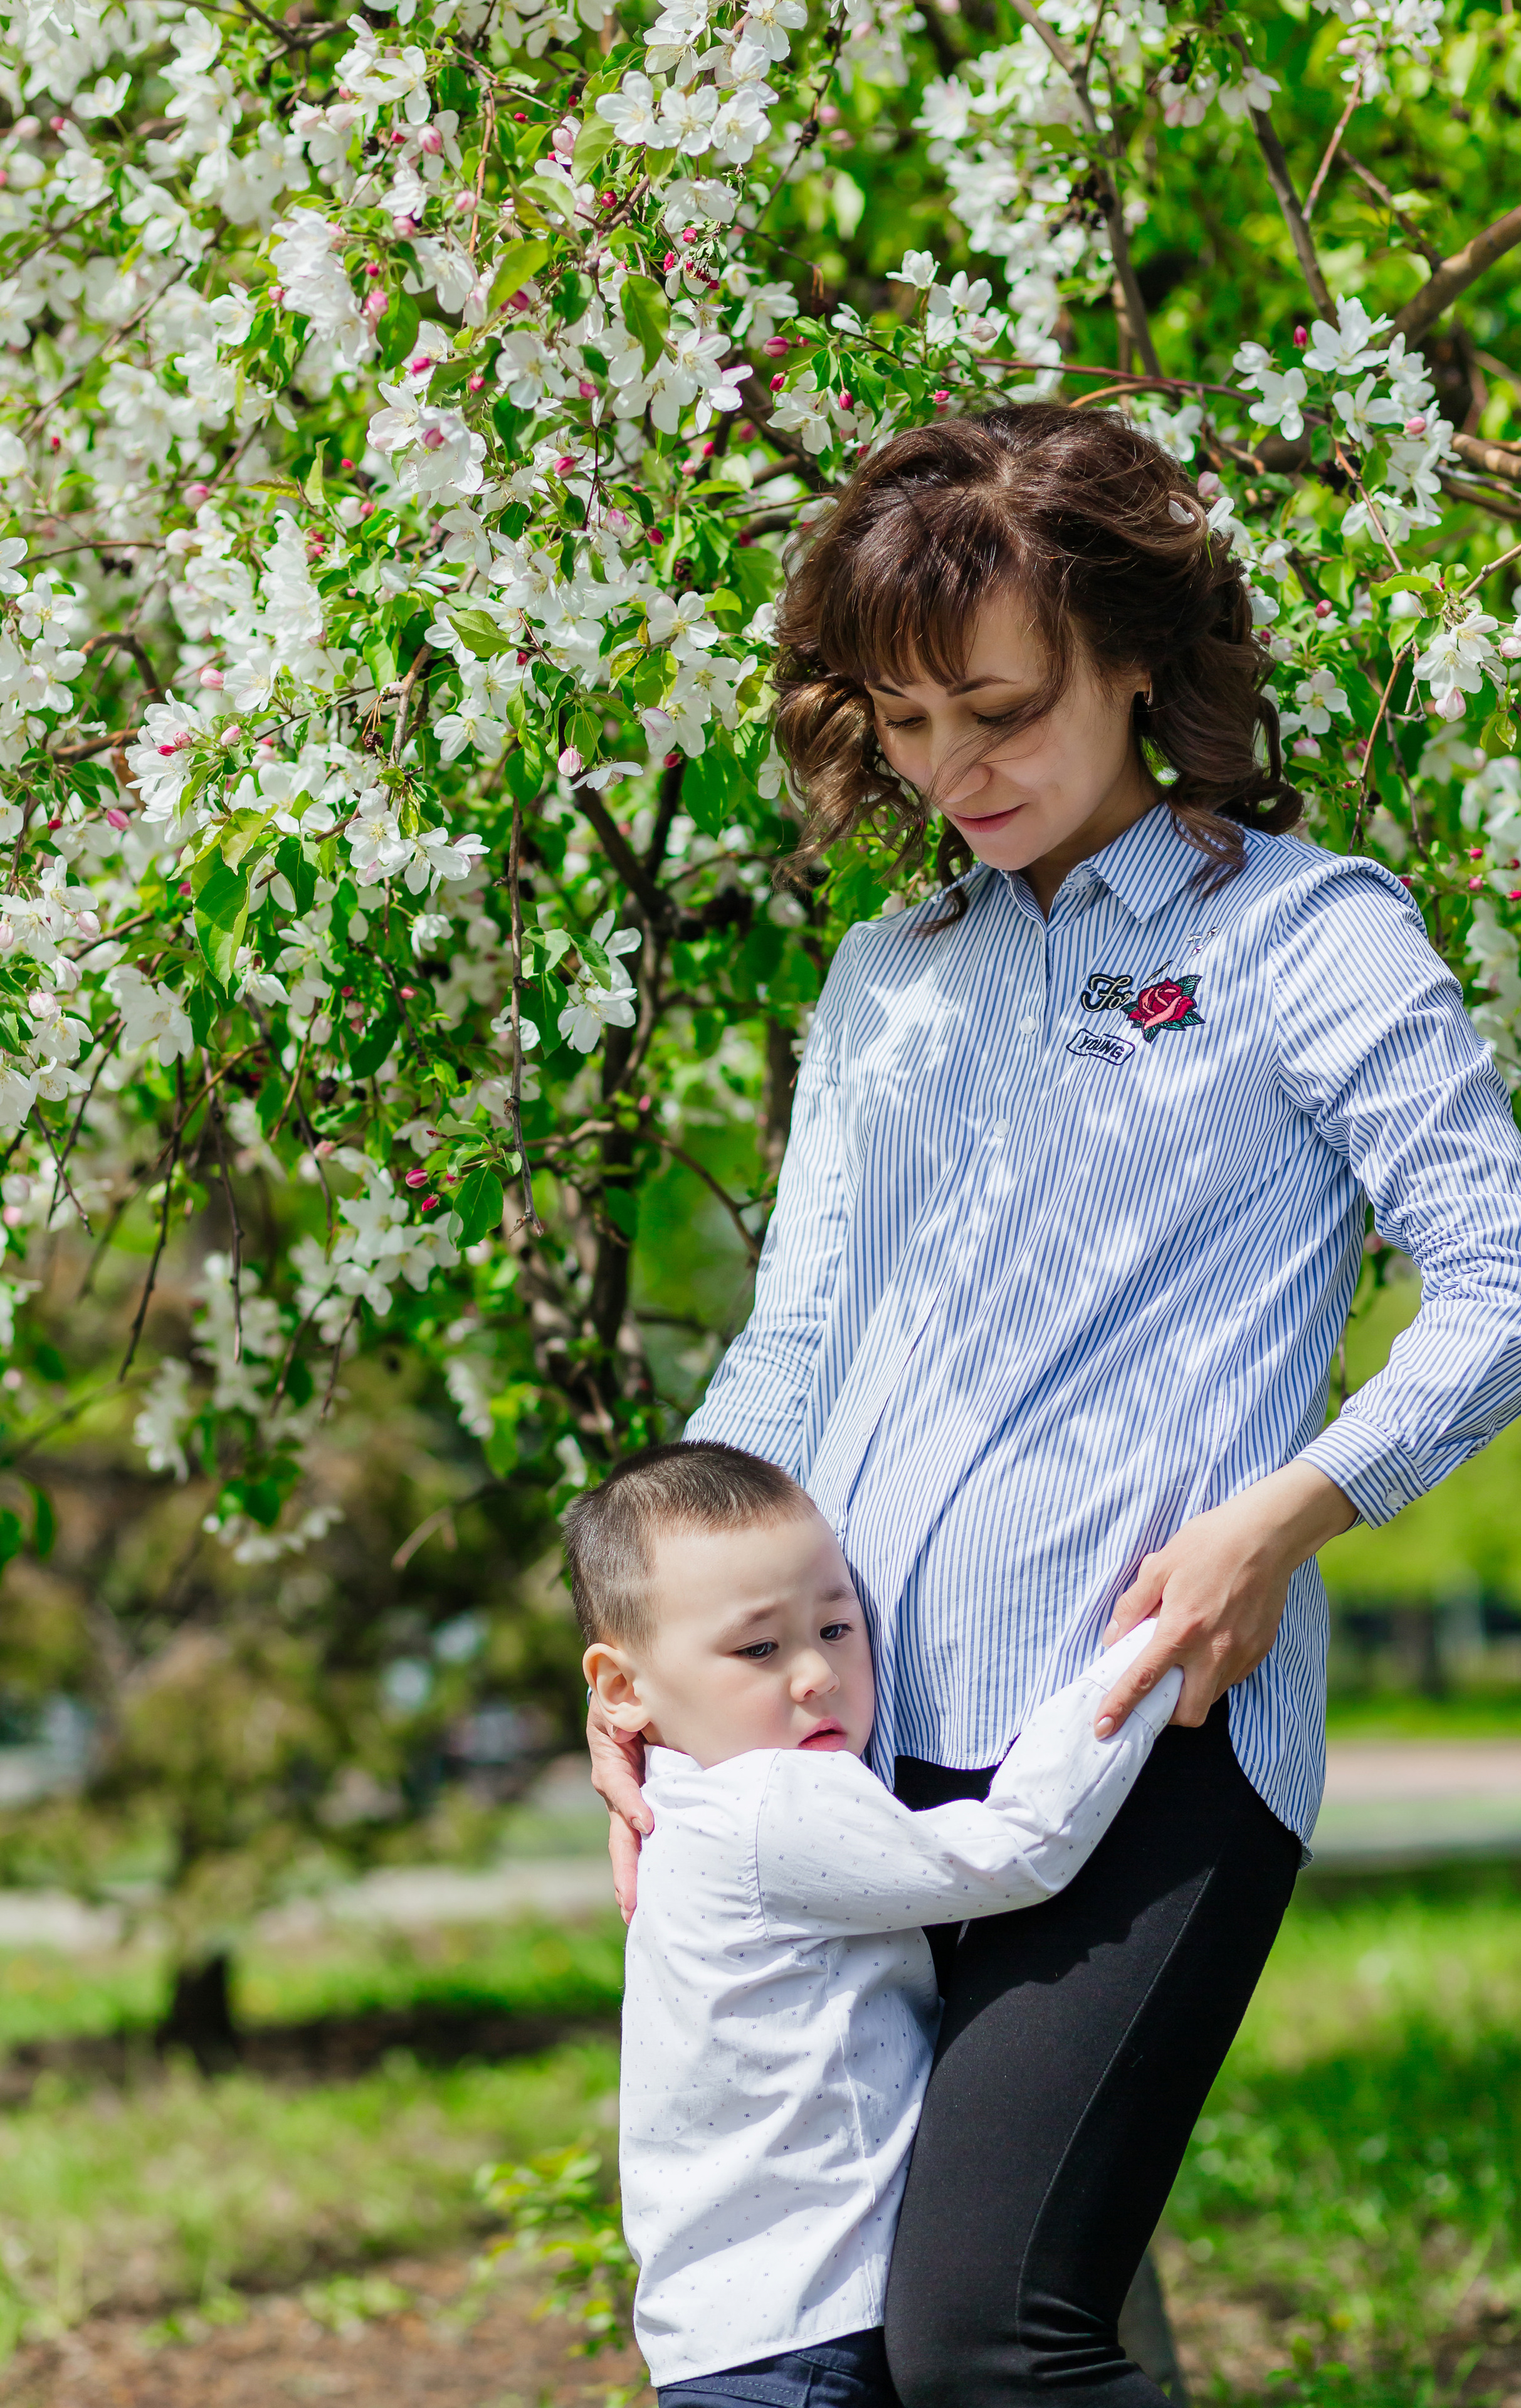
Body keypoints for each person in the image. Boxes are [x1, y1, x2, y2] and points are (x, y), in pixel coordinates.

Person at [589, 404, 1521, 2405]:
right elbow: (793, 1347)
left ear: (1129, 653)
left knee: (993, 2344)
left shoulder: (1306, 935)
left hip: (1143, 1733)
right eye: (907, 726)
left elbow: (1506, 1276)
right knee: (838, 2345)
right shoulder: (889, 973)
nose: (952, 773)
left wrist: (1296, 1510)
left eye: (998, 711)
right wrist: (648, 1657)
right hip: (847, 1754)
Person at [564, 1438, 1182, 2408]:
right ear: (622, 1689)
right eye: (760, 1648)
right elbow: (1017, 1847)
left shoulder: (684, 1806)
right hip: (809, 2338)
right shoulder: (771, 1802)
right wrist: (1153, 1655)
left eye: (840, 1628)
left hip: (733, 2342)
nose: (815, 1675)